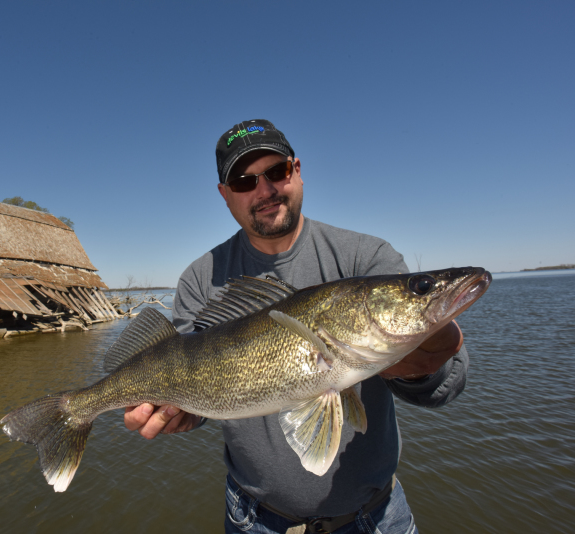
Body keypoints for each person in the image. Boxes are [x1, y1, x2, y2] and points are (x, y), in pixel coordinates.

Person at [125, 119, 467, 534]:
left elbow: (444, 386)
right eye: (244, 181)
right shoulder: (201, 279)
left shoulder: (365, 256)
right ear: (225, 196)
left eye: (277, 172)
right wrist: (181, 415)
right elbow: (202, 397)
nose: (265, 190)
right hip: (252, 518)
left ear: (297, 170)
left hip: (376, 517)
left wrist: (428, 365)